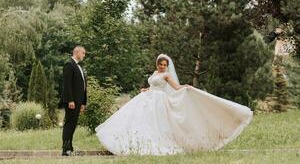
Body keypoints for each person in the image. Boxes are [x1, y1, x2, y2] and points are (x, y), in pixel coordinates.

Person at [95, 54, 253, 155]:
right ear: (157, 64)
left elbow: (176, 88)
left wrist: (187, 87)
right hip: (147, 98)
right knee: (139, 121)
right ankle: (132, 141)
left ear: (167, 65)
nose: (162, 66)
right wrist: (146, 88)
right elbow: (153, 85)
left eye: (164, 65)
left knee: (157, 124)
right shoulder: (155, 73)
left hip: (158, 101)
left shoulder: (166, 75)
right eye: (160, 64)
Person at [61, 46, 87, 156]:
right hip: (72, 102)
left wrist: (83, 103)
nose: (84, 55)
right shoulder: (69, 64)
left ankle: (70, 148)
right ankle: (66, 149)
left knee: (73, 125)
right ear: (76, 52)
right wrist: (70, 100)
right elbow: (67, 85)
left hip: (78, 102)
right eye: (83, 53)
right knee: (69, 125)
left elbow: (83, 86)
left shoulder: (78, 66)